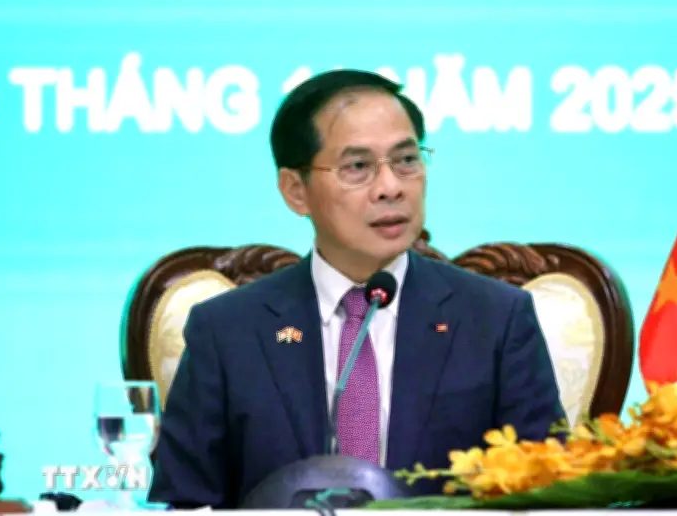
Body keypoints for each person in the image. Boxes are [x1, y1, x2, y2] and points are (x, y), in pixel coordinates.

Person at [148, 69, 567, 509]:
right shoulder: (227, 331)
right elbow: (185, 503)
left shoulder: (495, 320)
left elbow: (546, 497)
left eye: (407, 160)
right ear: (295, 190)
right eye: (358, 167)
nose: (391, 188)